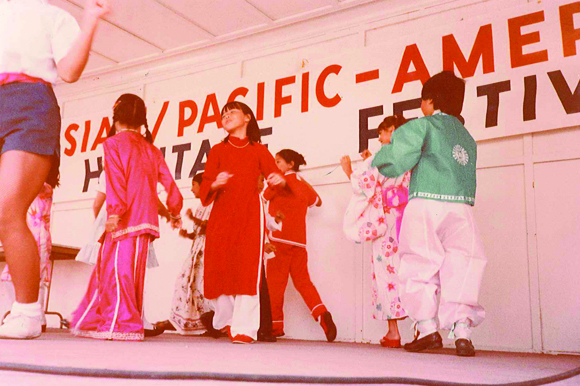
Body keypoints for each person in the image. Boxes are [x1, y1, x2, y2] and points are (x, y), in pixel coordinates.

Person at [0, 0, 110, 339]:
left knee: (7, 208)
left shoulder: (54, 16)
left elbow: (70, 71)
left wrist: (90, 21)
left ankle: (28, 311)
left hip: (29, 104)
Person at [371, 71, 487, 357]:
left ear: (430, 101)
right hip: (460, 206)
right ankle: (462, 332)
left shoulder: (424, 125)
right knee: (463, 262)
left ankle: (426, 329)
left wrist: (381, 156)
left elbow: (394, 160)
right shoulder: (466, 136)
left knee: (418, 261)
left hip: (425, 201)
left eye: (422, 100)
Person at [70, 94, 183, 341]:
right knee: (128, 273)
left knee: (116, 272)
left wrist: (115, 213)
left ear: (115, 118)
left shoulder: (112, 144)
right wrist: (174, 211)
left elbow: (117, 183)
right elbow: (167, 182)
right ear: (142, 119)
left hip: (123, 220)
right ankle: (108, 321)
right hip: (145, 222)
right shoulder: (151, 149)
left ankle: (123, 325)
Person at [199, 101, 285, 344]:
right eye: (223, 114)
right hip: (222, 214)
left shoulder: (259, 149)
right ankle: (227, 320)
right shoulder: (217, 150)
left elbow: (272, 176)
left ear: (247, 117)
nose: (226, 116)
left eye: (232, 112)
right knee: (218, 268)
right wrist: (216, 184)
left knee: (248, 270)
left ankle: (245, 328)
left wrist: (278, 181)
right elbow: (206, 184)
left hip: (249, 214)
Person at [341, 115, 410, 348]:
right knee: (413, 271)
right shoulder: (412, 155)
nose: (380, 137)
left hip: (387, 219)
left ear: (392, 131)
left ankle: (394, 332)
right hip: (408, 218)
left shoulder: (384, 157)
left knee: (386, 272)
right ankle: (424, 329)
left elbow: (365, 185)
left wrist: (349, 170)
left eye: (382, 132)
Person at [263, 149, 337, 342]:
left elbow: (263, 197)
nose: (276, 165)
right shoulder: (303, 183)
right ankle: (321, 312)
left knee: (274, 285)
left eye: (278, 162)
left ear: (290, 164)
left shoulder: (277, 181)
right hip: (299, 242)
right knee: (303, 282)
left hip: (278, 240)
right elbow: (317, 202)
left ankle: (275, 326)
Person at [154, 173, 214, 336]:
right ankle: (190, 321)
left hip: (207, 251)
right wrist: (186, 234)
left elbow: (211, 227)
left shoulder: (213, 204)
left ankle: (211, 323)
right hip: (197, 250)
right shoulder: (202, 205)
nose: (191, 189)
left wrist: (193, 218)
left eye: (193, 185)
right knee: (187, 285)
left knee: (201, 287)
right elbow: (198, 233)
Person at [1, 183, 54, 332]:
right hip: (30, 233)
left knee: (35, 276)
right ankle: (31, 314)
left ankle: (30, 314)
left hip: (36, 234)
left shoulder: (42, 186)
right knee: (19, 275)